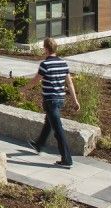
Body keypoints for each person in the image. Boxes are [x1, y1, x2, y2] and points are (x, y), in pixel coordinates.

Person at [28, 36, 80, 168]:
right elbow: (69, 83)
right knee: (49, 122)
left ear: (45, 49)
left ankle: (67, 159)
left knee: (58, 130)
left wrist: (23, 89)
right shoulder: (63, 63)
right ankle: (39, 144)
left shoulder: (45, 64)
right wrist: (75, 100)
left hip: (50, 101)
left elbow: (36, 80)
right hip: (60, 100)